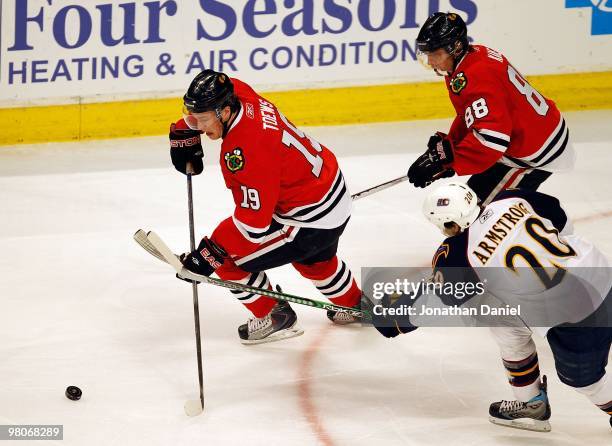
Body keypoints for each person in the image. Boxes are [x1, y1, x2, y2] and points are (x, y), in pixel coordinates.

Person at [374, 182, 611, 431]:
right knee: (502, 319)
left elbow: (434, 302)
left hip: (575, 312)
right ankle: (531, 403)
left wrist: (388, 319)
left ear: (449, 224)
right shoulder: (509, 197)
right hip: (598, 267)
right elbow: (557, 214)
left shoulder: (458, 253)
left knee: (585, 380)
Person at [168, 70, 362, 345]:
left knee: (224, 257)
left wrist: (209, 252)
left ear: (223, 112)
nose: (197, 126)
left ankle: (274, 316)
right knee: (315, 261)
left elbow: (253, 226)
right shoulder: (239, 94)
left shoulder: (246, 150)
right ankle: (354, 303)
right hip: (330, 193)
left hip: (308, 219)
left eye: (201, 120)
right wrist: (183, 128)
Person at [407, 12, 575, 205]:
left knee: (480, 215)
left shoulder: (475, 77)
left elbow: (492, 141)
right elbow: (470, 115)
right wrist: (450, 145)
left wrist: (449, 159)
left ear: (456, 47)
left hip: (534, 154)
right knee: (471, 209)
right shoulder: (469, 60)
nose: (430, 62)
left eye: (435, 54)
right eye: (427, 54)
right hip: (530, 134)